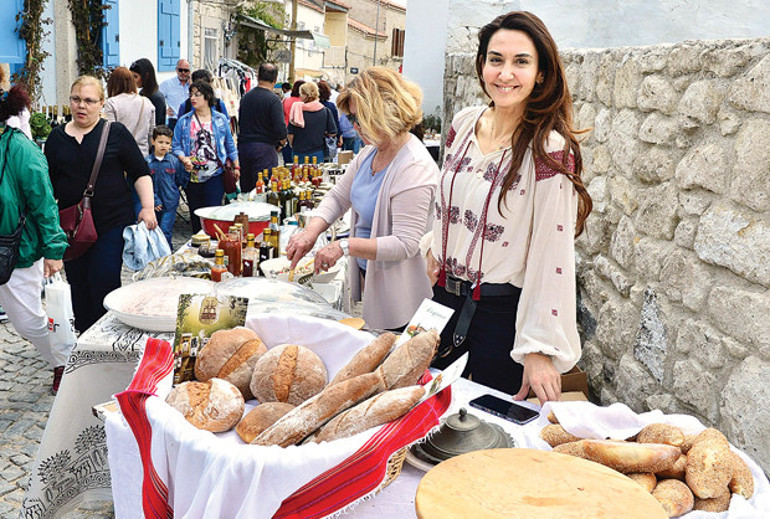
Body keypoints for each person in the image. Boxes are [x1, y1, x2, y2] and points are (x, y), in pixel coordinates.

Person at [423, 11, 592, 404]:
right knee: (422, 430)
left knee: (481, 449)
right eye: (496, 59)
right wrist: (436, 248)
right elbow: (450, 199)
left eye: (521, 62)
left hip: (500, 322)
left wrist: (537, 347)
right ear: (482, 65)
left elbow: (553, 253)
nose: (505, 73)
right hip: (440, 304)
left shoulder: (550, 150)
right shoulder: (463, 124)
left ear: (542, 74)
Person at [286, 67, 438, 331]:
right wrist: (310, 232)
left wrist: (343, 246)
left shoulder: (414, 166)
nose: (354, 126)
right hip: (374, 279)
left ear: (383, 113)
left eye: (358, 117)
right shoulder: (371, 152)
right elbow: (338, 196)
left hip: (403, 293)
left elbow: (405, 244)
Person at [45, 76, 157, 333]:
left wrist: (147, 207)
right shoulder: (56, 138)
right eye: (76, 99)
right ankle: (86, 338)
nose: (81, 106)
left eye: (88, 100)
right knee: (79, 285)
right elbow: (48, 186)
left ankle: (108, 334)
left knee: (103, 279)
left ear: (101, 104)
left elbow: (140, 172)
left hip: (111, 223)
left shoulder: (115, 133)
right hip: (72, 229)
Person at [0, 82, 70, 393]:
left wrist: (53, 250)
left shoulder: (20, 149)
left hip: (15, 250)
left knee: (27, 322)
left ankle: (64, 360)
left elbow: (43, 202)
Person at [172, 80, 239, 233]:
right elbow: (176, 146)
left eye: (197, 95)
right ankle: (197, 248)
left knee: (212, 213)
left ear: (207, 97)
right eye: (191, 95)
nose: (193, 98)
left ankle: (213, 248)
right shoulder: (184, 122)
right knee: (196, 215)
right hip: (192, 176)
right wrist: (184, 159)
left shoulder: (220, 119)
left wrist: (236, 165)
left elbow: (229, 144)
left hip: (215, 174)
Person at [237, 62, 287, 192]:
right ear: (275, 80)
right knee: (262, 189)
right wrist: (282, 141)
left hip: (244, 147)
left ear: (258, 76)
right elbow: (280, 129)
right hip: (264, 149)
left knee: (246, 189)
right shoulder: (273, 100)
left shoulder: (246, 97)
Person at [146, 125, 187, 248]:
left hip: (170, 202)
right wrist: (154, 199)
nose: (163, 145)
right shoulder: (147, 162)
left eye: (167, 143)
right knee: (154, 230)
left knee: (166, 231)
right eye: (160, 142)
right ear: (153, 142)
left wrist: (187, 171)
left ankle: (166, 254)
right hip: (154, 203)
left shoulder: (174, 161)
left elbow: (180, 180)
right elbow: (146, 185)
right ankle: (155, 254)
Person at [104, 66, 156, 155]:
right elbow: (152, 133)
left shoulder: (112, 102)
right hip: (142, 154)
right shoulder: (146, 102)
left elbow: (111, 133)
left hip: (120, 155)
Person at [287, 82, 337, 164]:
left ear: (307, 95)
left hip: (299, 151)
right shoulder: (325, 111)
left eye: (301, 94)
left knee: (299, 175)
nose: (299, 96)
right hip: (318, 151)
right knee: (317, 175)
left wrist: (293, 145)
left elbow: (290, 134)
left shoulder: (297, 110)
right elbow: (332, 132)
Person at [129, 58, 166, 126]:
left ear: (146, 76)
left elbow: (159, 124)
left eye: (135, 77)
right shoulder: (142, 93)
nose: (133, 80)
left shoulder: (157, 98)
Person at [160, 59, 191, 130]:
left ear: (189, 71)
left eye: (186, 71)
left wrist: (192, 85)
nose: (183, 73)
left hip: (189, 120)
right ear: (176, 70)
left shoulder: (192, 85)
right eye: (180, 70)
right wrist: (164, 111)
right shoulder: (167, 84)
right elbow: (158, 99)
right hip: (174, 121)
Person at [281, 79, 304, 165]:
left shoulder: (285, 100)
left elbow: (282, 116)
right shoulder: (302, 102)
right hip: (299, 133)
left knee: (288, 162)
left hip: (286, 131)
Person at [318, 81, 340, 162]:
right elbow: (336, 123)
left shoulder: (312, 106)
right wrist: (339, 135)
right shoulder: (330, 106)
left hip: (316, 140)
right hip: (329, 138)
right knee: (328, 160)